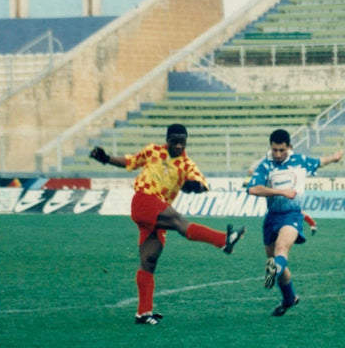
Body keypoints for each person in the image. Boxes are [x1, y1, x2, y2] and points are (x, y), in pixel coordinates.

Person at [89, 124, 246, 325]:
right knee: (180, 222)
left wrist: (194, 186)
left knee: (149, 260)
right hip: (144, 201)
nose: (179, 146)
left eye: (183, 142)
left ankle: (143, 313)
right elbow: (130, 161)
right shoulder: (152, 150)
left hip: (157, 212)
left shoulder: (188, 164)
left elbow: (203, 184)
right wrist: (106, 158)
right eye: (175, 141)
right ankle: (224, 241)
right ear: (167, 139)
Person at [247, 129, 343, 316]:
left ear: (289, 147)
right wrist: (280, 192)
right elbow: (252, 189)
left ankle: (273, 272)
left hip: (292, 215)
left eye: (282, 150)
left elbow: (319, 162)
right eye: (274, 150)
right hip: (271, 218)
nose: (278, 154)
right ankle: (290, 298)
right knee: (276, 262)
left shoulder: (299, 161)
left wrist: (334, 158)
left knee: (281, 249)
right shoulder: (266, 165)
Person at [247, 156, 317, 235]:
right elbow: (251, 172)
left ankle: (311, 223)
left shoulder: (270, 163)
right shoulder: (263, 163)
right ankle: (311, 223)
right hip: (272, 189)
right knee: (289, 210)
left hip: (278, 187)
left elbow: (251, 172)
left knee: (292, 210)